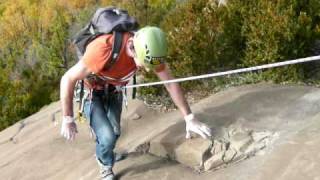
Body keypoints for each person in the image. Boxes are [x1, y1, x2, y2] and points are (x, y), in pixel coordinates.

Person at [60, 26, 212, 180]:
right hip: (91, 93)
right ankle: (105, 163)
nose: (146, 70)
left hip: (114, 90)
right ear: (133, 49)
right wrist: (68, 118)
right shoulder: (102, 49)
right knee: (107, 137)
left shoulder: (151, 52)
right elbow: (68, 79)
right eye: (144, 64)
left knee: (115, 131)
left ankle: (106, 150)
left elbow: (170, 83)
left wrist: (189, 117)